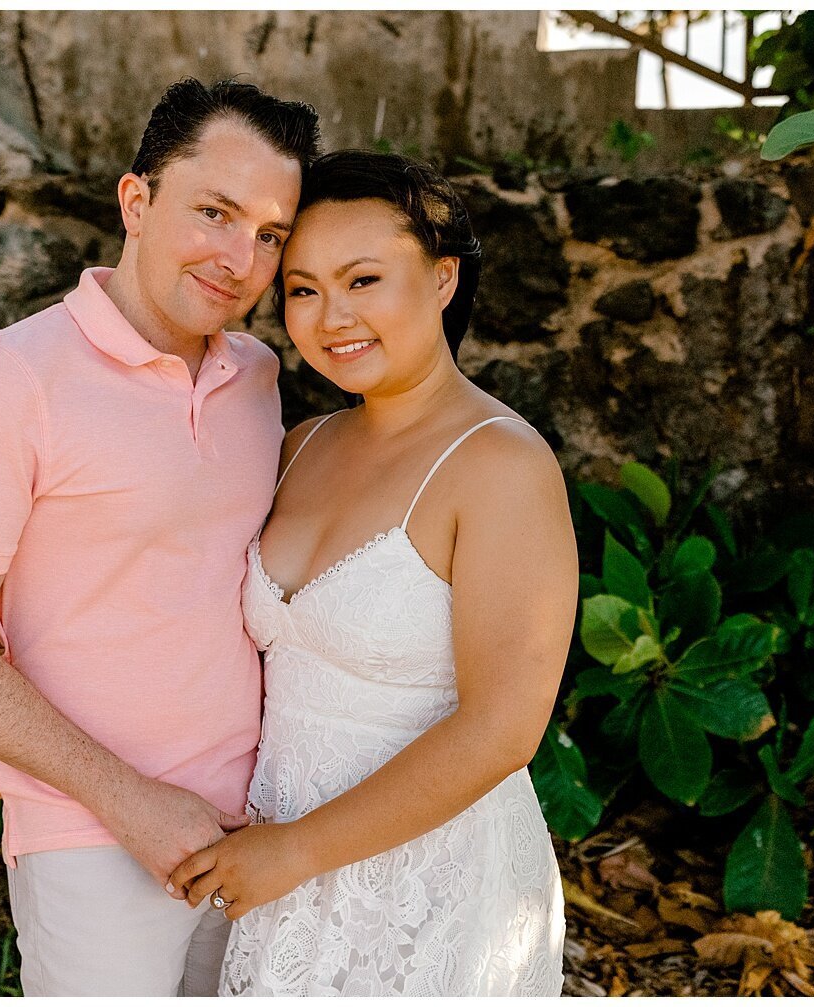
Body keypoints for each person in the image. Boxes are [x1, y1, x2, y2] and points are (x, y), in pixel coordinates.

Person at [0, 78, 320, 996]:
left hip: (262, 828)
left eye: (271, 234)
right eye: (214, 211)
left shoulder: (259, 376)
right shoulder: (12, 379)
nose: (241, 257)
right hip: (90, 835)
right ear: (137, 199)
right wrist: (130, 802)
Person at [166, 150, 576, 995]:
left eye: (364, 279)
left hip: (422, 879)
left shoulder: (499, 464)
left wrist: (299, 851)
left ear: (442, 279)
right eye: (305, 288)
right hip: (271, 859)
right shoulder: (299, 445)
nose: (331, 316)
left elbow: (503, 727)